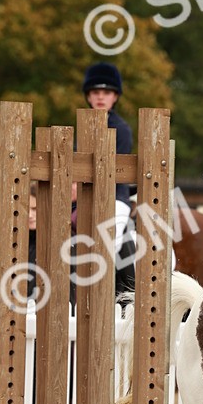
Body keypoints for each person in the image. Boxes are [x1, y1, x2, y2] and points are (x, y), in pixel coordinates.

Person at [81, 62, 135, 295]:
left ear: (115, 97)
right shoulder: (82, 127)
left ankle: (107, 291)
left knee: (107, 244)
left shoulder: (121, 130)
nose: (100, 97)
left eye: (106, 93)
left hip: (115, 197)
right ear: (89, 97)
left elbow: (114, 173)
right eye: (95, 93)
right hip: (82, 195)